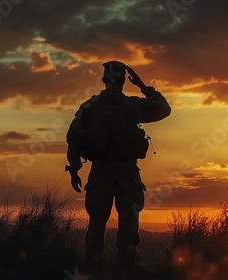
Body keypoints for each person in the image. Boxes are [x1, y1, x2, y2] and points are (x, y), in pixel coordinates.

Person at [65, 61, 171, 272]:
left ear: (104, 80)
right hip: (126, 171)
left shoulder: (89, 107)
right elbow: (163, 109)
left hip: (100, 171)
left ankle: (92, 265)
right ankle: (126, 267)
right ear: (124, 81)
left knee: (97, 220)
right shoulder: (130, 106)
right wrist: (143, 86)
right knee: (129, 219)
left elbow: (73, 138)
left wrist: (75, 169)